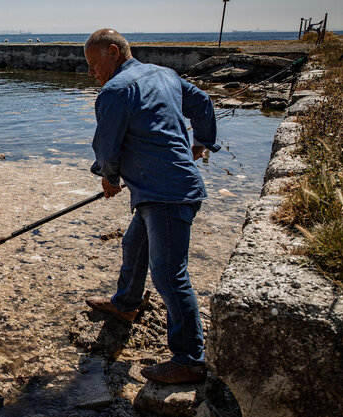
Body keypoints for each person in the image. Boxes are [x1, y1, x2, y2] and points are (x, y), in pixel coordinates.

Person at [82, 29, 220, 384]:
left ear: (113, 52)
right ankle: (126, 304)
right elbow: (203, 103)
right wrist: (200, 144)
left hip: (168, 195)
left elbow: (107, 148)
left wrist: (109, 177)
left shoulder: (114, 91)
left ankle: (190, 359)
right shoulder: (165, 74)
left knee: (169, 275)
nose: (93, 73)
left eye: (94, 65)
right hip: (161, 190)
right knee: (134, 244)